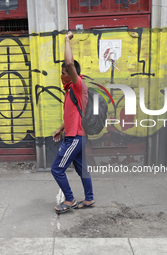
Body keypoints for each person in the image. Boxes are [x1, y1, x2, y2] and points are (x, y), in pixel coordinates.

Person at [51, 31, 95, 214]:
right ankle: (89, 199)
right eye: (62, 73)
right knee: (82, 170)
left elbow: (69, 63)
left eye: (65, 73)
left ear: (72, 73)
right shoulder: (70, 91)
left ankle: (69, 200)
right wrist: (60, 128)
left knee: (56, 170)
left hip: (75, 138)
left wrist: (66, 40)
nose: (63, 75)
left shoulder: (78, 86)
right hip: (75, 135)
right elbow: (72, 114)